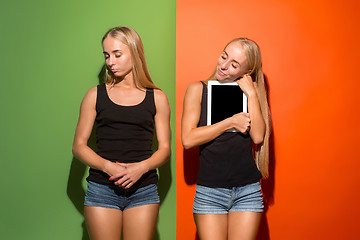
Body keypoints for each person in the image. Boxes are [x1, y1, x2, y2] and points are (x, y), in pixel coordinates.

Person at [72, 26, 171, 240]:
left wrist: (141, 168)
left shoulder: (158, 98)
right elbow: (79, 146)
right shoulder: (94, 96)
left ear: (134, 53)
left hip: (143, 190)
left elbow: (165, 150)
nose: (110, 62)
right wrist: (107, 166)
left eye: (117, 54)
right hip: (101, 189)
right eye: (107, 55)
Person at [181, 38, 271, 240]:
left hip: (248, 190)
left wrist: (251, 94)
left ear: (245, 73)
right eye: (224, 56)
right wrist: (229, 123)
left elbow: (257, 136)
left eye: (234, 65)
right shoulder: (197, 89)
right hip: (210, 192)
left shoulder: (249, 95)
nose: (223, 65)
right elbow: (187, 139)